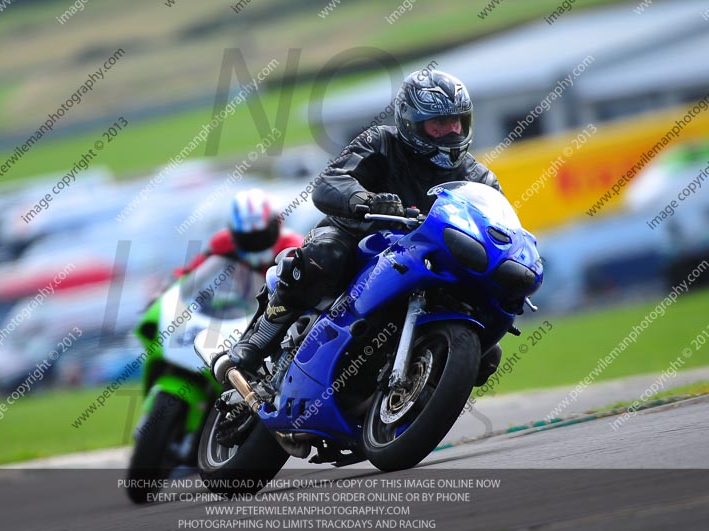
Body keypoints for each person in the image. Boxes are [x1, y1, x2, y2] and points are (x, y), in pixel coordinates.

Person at [214, 70, 503, 387]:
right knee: (325, 257)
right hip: (359, 238)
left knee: (488, 352)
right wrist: (366, 200)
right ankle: (257, 341)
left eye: (457, 122)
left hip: (432, 258)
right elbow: (330, 181)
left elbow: (497, 222)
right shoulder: (380, 142)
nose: (451, 131)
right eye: (439, 124)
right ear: (411, 122)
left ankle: (412, 393)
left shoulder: (479, 179)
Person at [174, 188, 304, 279]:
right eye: (247, 238)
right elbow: (188, 274)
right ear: (234, 233)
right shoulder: (223, 242)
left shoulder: (293, 248)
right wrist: (170, 283)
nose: (255, 243)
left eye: (261, 236)